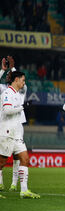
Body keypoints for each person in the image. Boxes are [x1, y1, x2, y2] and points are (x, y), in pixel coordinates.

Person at [0, 71, 40, 199]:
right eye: (23, 80)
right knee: (1, 163)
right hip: (6, 132)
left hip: (16, 133)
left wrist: (22, 106)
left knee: (25, 159)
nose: (24, 82)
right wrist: (22, 107)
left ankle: (24, 190)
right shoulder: (7, 93)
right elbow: (7, 110)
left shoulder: (17, 94)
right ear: (16, 79)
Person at [0, 56, 27, 192]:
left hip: (18, 127)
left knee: (22, 157)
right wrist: (2, 70)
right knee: (3, 160)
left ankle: (19, 187)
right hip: (6, 128)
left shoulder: (20, 91)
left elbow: (22, 83)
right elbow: (7, 109)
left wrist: (12, 68)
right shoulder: (4, 90)